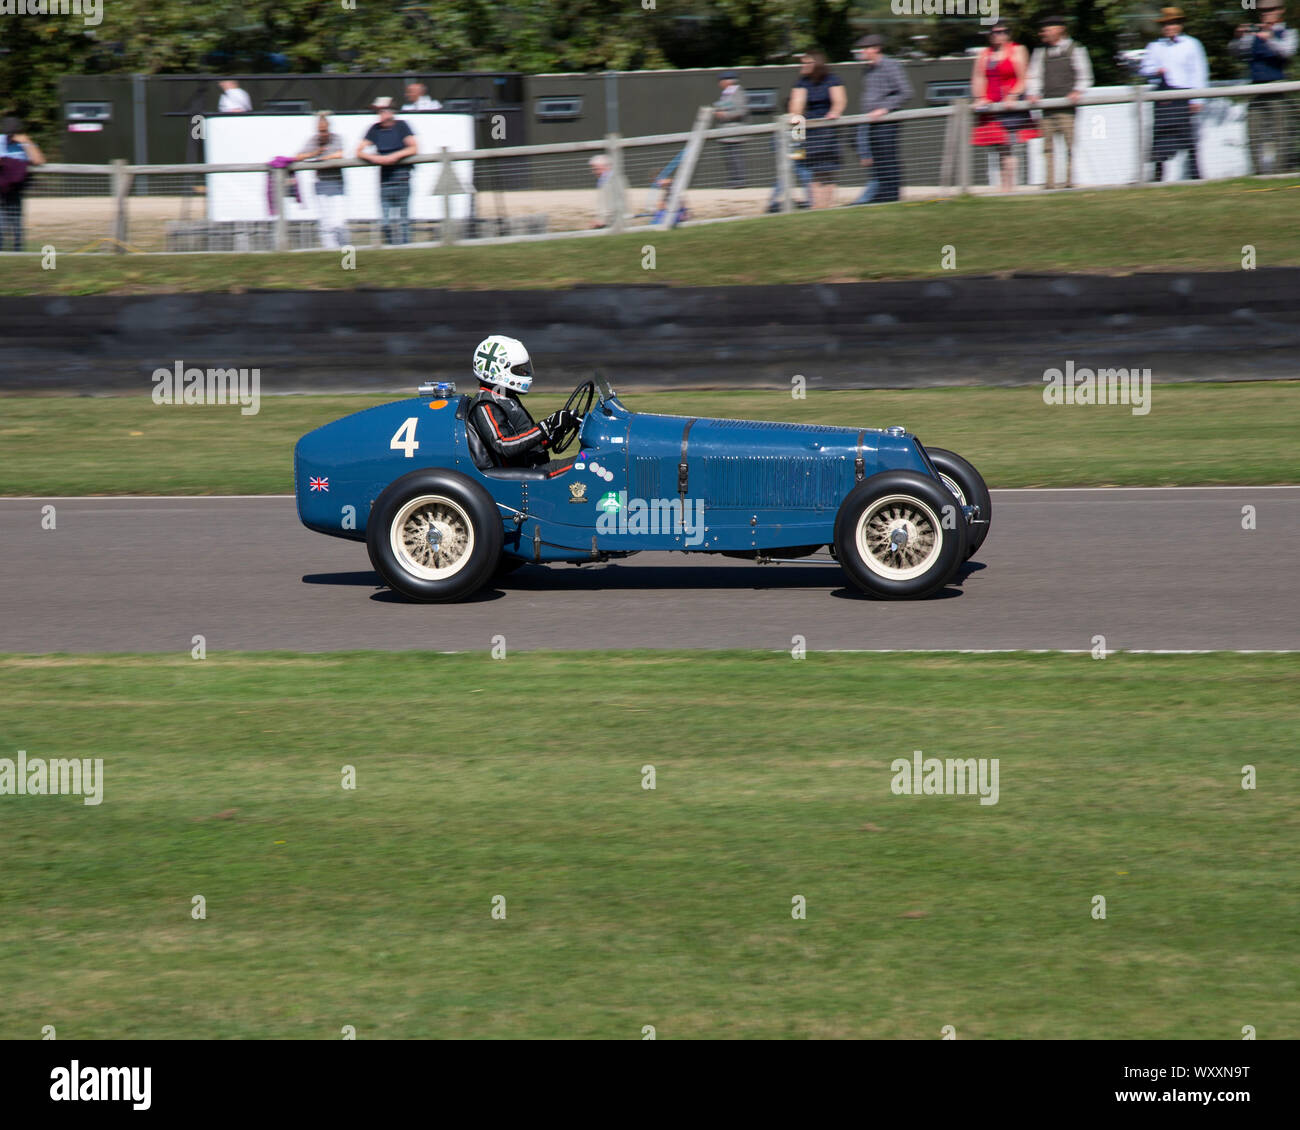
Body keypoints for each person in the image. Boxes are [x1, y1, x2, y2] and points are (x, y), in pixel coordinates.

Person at [466, 336, 579, 469]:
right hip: (525, 473)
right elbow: (503, 445)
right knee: (588, 466)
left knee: (588, 458)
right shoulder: (485, 405)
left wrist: (558, 428)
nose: (525, 372)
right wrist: (546, 426)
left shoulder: (505, 397)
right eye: (518, 369)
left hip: (535, 464)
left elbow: (528, 441)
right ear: (499, 372)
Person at [1140, 7, 1208, 182]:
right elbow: (1144, 69)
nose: (1170, 27)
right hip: (1163, 97)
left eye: (1173, 23)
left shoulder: (1192, 44)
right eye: (1166, 24)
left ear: (1180, 25)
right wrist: (1156, 70)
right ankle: (1157, 177)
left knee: (1187, 138)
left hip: (1183, 97)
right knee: (1160, 137)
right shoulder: (1155, 46)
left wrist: (1197, 98)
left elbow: (1199, 72)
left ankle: (1195, 175)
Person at [1027, 15, 1094, 190]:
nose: (1044, 33)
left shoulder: (1076, 49)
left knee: (1070, 145)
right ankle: (1049, 183)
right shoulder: (1040, 51)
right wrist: (1033, 93)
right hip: (1047, 106)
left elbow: (1085, 75)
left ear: (1060, 29)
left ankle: (1069, 181)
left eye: (1048, 29)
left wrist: (1078, 91)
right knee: (1047, 147)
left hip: (1067, 108)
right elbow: (1034, 75)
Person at [1230, 1, 1297, 174]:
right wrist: (1238, 38)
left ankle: (1280, 172)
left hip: (1277, 88)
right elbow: (1238, 54)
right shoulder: (1253, 34)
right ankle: (1258, 173)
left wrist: (1270, 38)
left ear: (1280, 10)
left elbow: (1288, 51)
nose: (1266, 14)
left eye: (1270, 10)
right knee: (1253, 133)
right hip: (1255, 89)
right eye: (1262, 11)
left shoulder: (1288, 32)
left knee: (1281, 132)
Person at [971, 22, 1032, 194]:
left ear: (1008, 34)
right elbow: (978, 78)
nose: (998, 35)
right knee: (1000, 147)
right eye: (994, 32)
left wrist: (1013, 95)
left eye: (1002, 32)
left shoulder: (1018, 50)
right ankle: (1004, 186)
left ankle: (1009, 187)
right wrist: (980, 98)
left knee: (1009, 145)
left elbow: (1024, 77)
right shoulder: (984, 54)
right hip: (992, 106)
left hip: (1011, 106)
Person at [853, 34, 911, 205]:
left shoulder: (890, 66)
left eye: (865, 48)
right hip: (870, 121)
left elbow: (906, 92)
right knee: (877, 159)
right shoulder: (867, 70)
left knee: (888, 157)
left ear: (876, 48)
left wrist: (884, 108)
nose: (862, 52)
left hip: (886, 121)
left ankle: (891, 197)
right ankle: (881, 196)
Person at [788, 48, 846, 209]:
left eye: (807, 63)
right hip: (810, 129)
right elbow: (797, 106)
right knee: (813, 171)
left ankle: (826, 205)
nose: (803, 66)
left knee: (827, 171)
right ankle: (817, 207)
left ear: (816, 62)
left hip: (828, 129)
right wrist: (794, 119)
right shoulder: (802, 81)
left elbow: (839, 101)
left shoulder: (832, 79)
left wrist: (834, 113)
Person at [357, 96, 418, 245]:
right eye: (379, 112)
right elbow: (359, 151)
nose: (381, 115)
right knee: (385, 222)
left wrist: (395, 156)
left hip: (402, 179)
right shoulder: (374, 129)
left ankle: (406, 248)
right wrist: (375, 159)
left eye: (383, 111)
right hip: (384, 182)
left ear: (391, 111)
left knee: (404, 220)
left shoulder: (402, 126)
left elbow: (414, 147)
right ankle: (391, 247)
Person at [295, 111, 348, 249]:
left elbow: (339, 154)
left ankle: (346, 255)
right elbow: (299, 156)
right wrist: (315, 153)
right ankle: (329, 251)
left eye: (325, 131)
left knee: (339, 222)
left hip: (337, 185)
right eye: (320, 131)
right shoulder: (313, 141)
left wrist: (322, 159)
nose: (323, 134)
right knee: (326, 223)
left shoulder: (337, 138)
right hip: (321, 186)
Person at [0, 117, 45, 252]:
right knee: (1, 225)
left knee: (17, 225)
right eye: (9, 133)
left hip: (15, 190)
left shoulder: (25, 144)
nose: (10, 136)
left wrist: (27, 142)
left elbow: (39, 161)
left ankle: (18, 252)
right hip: (1, 189)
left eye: (13, 133)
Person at [712, 71, 749, 189]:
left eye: (721, 81)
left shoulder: (737, 93)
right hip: (726, 133)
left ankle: (739, 181)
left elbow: (741, 111)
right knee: (730, 157)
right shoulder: (726, 93)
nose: (719, 84)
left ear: (728, 81)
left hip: (734, 132)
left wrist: (724, 115)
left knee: (736, 156)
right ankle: (733, 179)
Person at [588, 154, 627, 228]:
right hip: (609, 222)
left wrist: (603, 221)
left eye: (597, 169)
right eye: (594, 169)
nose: (594, 172)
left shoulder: (614, 181)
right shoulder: (604, 180)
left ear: (606, 167)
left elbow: (617, 205)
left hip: (615, 223)